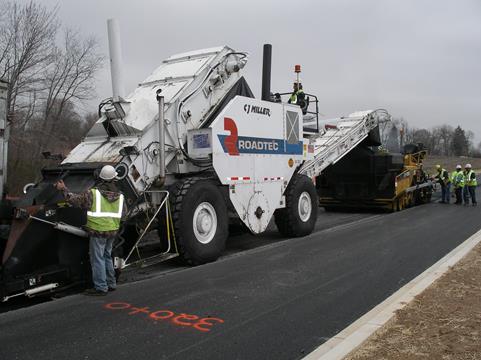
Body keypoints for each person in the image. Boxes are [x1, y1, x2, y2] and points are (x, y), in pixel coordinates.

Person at [55, 165, 124, 296]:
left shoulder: (93, 193)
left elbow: (75, 201)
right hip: (112, 231)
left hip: (98, 232)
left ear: (101, 178)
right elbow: (124, 214)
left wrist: (63, 189)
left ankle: (100, 287)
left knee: (97, 259)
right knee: (107, 256)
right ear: (115, 178)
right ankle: (111, 283)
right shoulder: (120, 196)